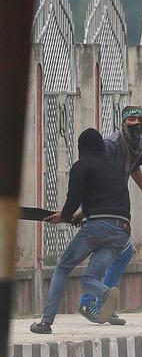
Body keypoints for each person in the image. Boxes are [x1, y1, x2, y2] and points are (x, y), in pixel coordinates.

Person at [29, 129, 132, 334]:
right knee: (89, 280)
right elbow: (108, 198)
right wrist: (79, 215)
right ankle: (105, 292)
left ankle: (46, 322)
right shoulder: (114, 168)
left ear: (81, 148)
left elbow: (73, 199)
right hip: (122, 230)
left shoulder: (81, 165)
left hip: (98, 226)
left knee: (63, 268)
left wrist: (64, 216)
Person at [78, 105, 142, 325]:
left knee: (121, 252)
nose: (136, 124)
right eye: (131, 120)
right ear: (123, 123)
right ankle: (90, 302)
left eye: (139, 120)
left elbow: (133, 167)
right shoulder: (110, 145)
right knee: (113, 250)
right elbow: (91, 174)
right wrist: (85, 209)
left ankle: (101, 303)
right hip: (99, 201)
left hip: (114, 203)